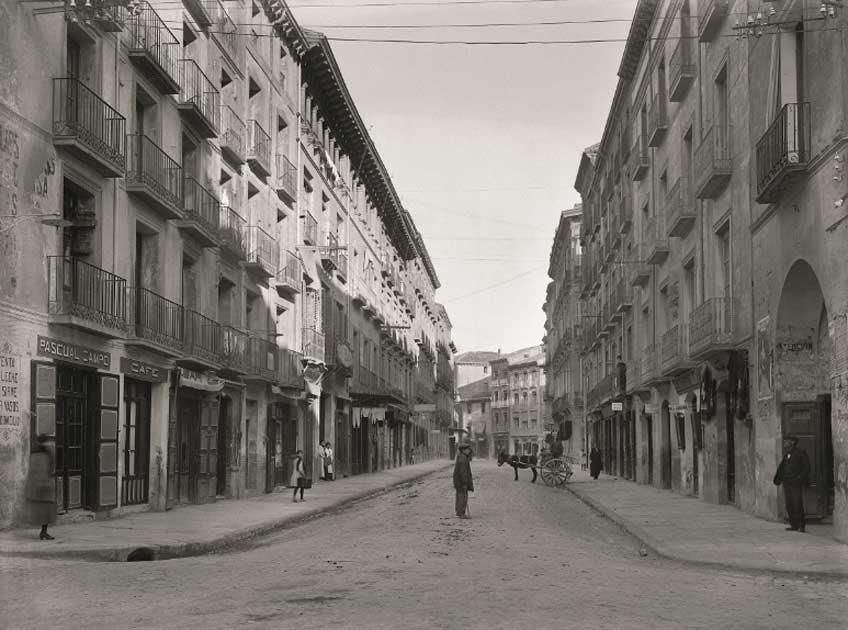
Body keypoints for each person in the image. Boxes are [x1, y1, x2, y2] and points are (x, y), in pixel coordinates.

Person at [773, 435, 810, 532]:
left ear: (792, 442)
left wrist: (799, 478)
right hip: (787, 482)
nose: (785, 442)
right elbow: (782, 467)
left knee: (797, 504)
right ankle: (794, 525)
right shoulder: (788, 454)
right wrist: (778, 478)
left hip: (795, 483)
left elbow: (806, 467)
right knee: (789, 504)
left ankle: (801, 525)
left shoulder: (800, 453)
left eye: (787, 441)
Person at [26, 433, 56, 540]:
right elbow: (48, 470)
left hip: (37, 488)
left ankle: (43, 532)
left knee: (43, 512)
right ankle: (43, 532)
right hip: (44, 488)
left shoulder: (34, 454)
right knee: (46, 512)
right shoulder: (46, 454)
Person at [453, 438, 474, 519]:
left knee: (459, 496)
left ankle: (459, 512)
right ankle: (462, 513)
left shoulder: (461, 456)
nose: (469, 450)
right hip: (461, 482)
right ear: (464, 450)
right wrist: (465, 481)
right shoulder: (463, 458)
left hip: (458, 481)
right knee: (463, 497)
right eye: (468, 449)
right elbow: (463, 471)